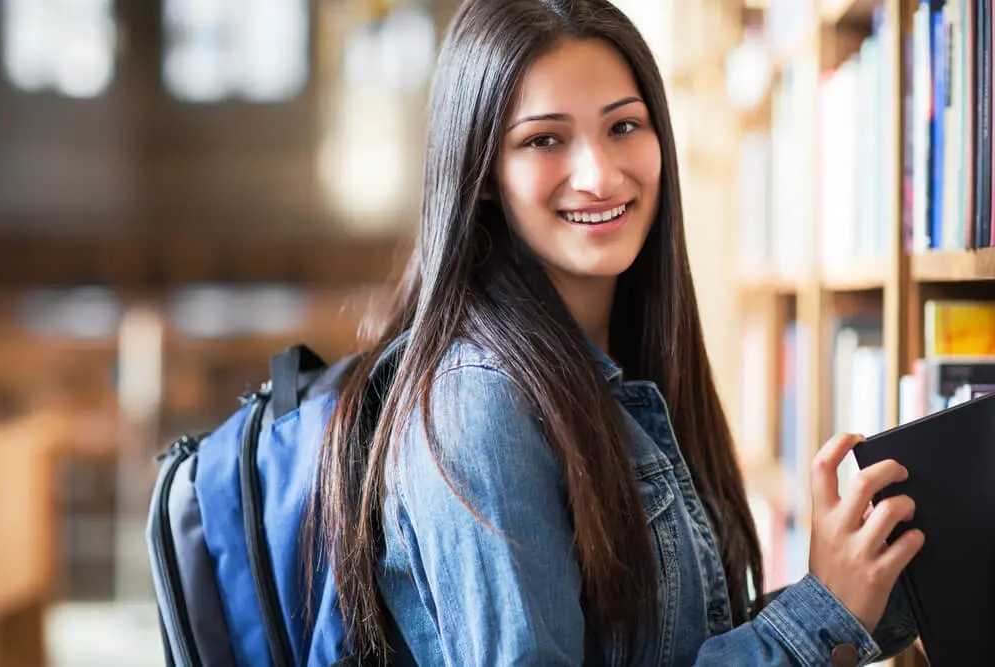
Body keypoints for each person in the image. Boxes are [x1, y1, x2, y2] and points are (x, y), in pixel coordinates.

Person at [305, 0, 924, 664]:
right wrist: (818, 615)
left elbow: (673, 646)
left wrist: (857, 595)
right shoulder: (476, 406)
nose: (600, 175)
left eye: (624, 126)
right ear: (483, 175)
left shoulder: (623, 359)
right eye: (544, 139)